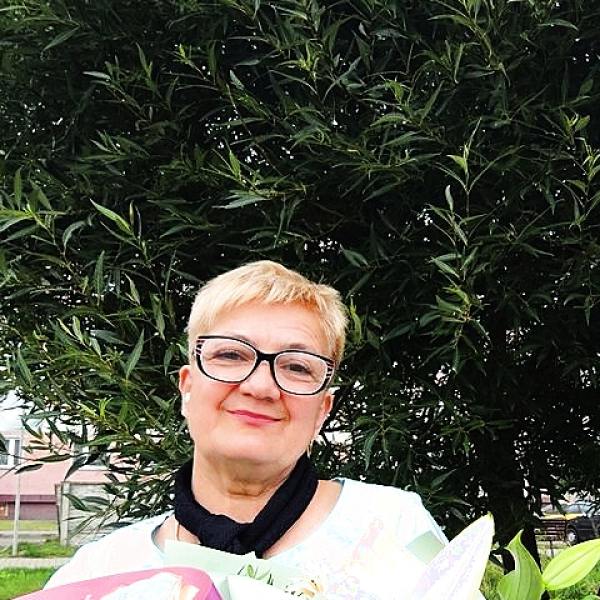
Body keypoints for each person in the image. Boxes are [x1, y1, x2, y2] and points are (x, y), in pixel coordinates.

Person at [46, 261, 448, 599]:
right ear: (187, 387)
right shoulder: (98, 576)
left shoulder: (396, 530)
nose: (260, 386)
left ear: (322, 410)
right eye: (231, 355)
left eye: (297, 366)